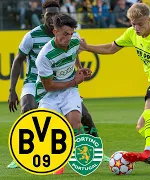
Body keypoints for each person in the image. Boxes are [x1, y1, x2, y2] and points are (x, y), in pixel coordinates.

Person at [80, 2, 150, 172]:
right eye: (133, 24)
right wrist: (86, 47)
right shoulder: (132, 33)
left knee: (149, 109)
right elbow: (110, 48)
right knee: (142, 126)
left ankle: (149, 151)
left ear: (149, 20)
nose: (136, 28)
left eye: (140, 24)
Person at [7, 0, 108, 169]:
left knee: (85, 115)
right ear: (43, 16)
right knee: (28, 108)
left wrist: (80, 69)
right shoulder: (32, 36)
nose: (52, 17)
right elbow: (18, 61)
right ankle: (23, 154)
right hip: (34, 81)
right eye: (49, 15)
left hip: (61, 81)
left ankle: (96, 149)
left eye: (55, 14)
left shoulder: (67, 33)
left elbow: (73, 52)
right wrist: (12, 90)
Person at [35, 13, 90, 174]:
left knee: (75, 121)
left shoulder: (74, 41)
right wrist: (75, 81)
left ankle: (81, 154)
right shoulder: (44, 56)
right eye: (65, 34)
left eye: (71, 34)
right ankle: (58, 159)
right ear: (55, 32)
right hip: (48, 94)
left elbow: (75, 54)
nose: (69, 37)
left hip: (69, 90)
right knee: (51, 127)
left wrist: (79, 69)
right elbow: (49, 86)